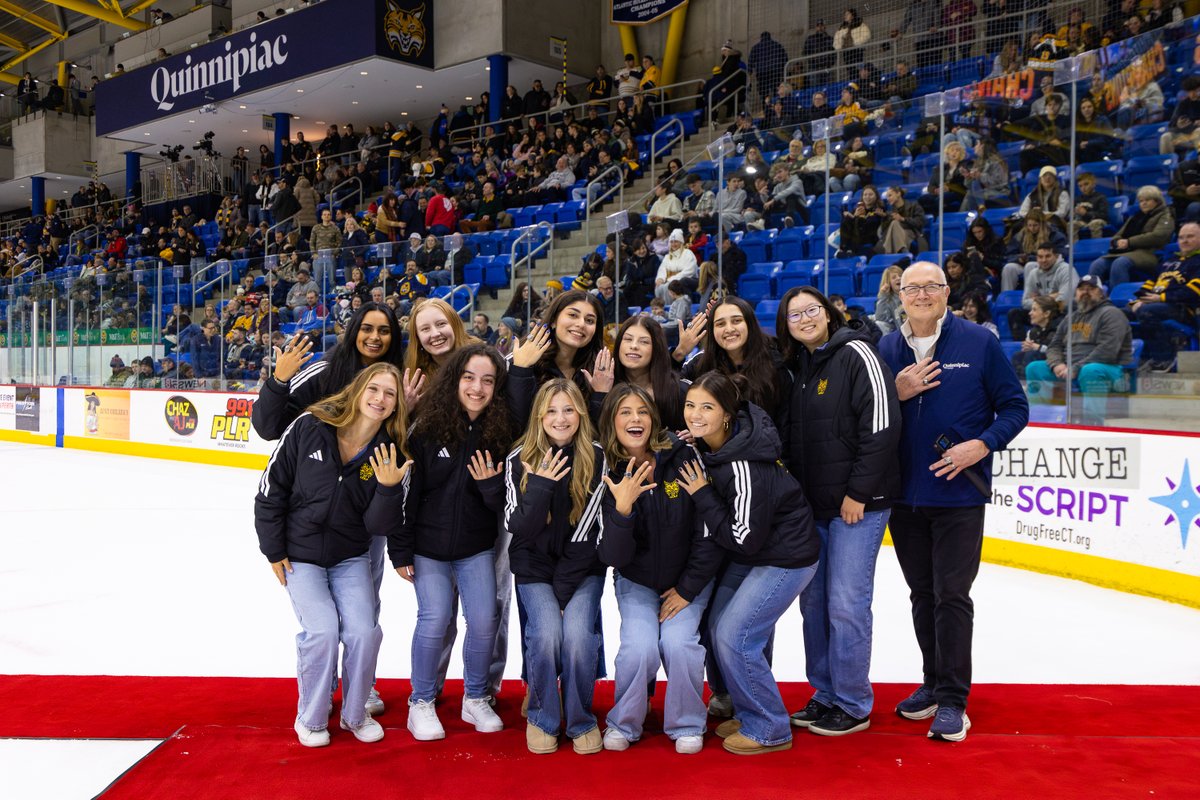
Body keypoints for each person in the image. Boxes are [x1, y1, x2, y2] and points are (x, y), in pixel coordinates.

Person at [878, 261, 1028, 742]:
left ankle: (953, 700)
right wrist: (895, 392)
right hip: (905, 497)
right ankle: (931, 682)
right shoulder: (886, 347)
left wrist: (982, 444)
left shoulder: (978, 342)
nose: (921, 294)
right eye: (912, 288)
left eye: (931, 286)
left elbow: (1015, 407)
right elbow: (870, 416)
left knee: (951, 596)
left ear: (946, 292)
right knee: (922, 595)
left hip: (960, 496)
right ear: (900, 295)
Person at [254, 363, 411, 747]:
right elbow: (270, 491)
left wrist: (389, 488)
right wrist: (273, 549)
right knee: (322, 630)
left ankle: (355, 714)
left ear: (395, 406)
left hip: (349, 557)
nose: (380, 399)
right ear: (358, 390)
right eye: (374, 389)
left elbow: (378, 525)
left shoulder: (389, 453)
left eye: (390, 394)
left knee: (363, 630)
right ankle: (311, 714)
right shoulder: (310, 426)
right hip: (300, 554)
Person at [775, 287, 900, 736]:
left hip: (856, 508)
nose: (805, 319)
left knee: (847, 603)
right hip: (813, 509)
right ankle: (825, 693)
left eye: (811, 310)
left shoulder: (858, 353)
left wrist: (859, 492)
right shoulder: (799, 369)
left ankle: (852, 702)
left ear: (829, 313)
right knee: (815, 604)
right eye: (794, 315)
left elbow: (882, 425)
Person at [674, 372, 819, 754]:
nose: (696, 414)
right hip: (755, 553)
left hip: (785, 557)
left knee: (735, 636)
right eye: (691, 405)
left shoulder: (744, 465)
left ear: (727, 414)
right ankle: (749, 708)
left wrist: (704, 494)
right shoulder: (717, 444)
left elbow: (744, 536)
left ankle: (769, 726)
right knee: (717, 625)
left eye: (707, 407)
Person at [389, 345, 512, 741]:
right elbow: (406, 492)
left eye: (488, 380)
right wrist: (401, 549)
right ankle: (420, 702)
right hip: (429, 549)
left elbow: (503, 502)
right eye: (469, 378)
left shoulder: (501, 432)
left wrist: (490, 487)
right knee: (435, 618)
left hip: (476, 548)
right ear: (455, 379)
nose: (478, 388)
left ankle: (475, 697)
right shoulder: (427, 428)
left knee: (484, 621)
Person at [596, 384, 722, 754]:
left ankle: (686, 722)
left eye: (642, 412)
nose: (635, 419)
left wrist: (687, 589)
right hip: (636, 581)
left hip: (687, 581)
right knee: (638, 647)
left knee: (680, 643)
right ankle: (625, 721)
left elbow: (707, 533)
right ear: (612, 421)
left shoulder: (683, 458)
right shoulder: (607, 469)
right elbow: (614, 557)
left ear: (653, 419)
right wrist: (622, 510)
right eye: (625, 413)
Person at [505, 379, 607, 755]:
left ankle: (581, 718)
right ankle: (543, 716)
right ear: (539, 416)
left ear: (580, 412)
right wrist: (543, 485)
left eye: (568, 409)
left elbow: (587, 535)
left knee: (579, 638)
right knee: (546, 634)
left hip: (583, 570)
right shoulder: (517, 459)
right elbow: (522, 530)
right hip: (533, 569)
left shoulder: (597, 457)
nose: (560, 418)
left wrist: (563, 593)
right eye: (551, 410)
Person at [1027, 275, 1134, 421]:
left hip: (1110, 369)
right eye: (1081, 289)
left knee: (1090, 370)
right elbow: (1054, 346)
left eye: (1091, 289)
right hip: (1071, 369)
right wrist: (1057, 364)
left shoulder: (1112, 314)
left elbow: (1107, 351)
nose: (1085, 292)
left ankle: (1092, 423)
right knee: (1034, 368)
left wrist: (1076, 368)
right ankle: (1040, 419)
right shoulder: (1071, 317)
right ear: (1076, 293)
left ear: (1101, 293)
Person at [1126, 220, 1200, 369]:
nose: (1184, 241)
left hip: (1183, 308)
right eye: (1181, 237)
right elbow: (1148, 284)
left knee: (1148, 312)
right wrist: (1137, 302)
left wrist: (1161, 298)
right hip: (1154, 303)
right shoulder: (1168, 261)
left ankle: (1164, 357)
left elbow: (1193, 293)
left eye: (1190, 236)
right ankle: (1132, 358)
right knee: (1120, 313)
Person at [612, 316, 689, 430]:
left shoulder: (679, 390)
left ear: (656, 348)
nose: (633, 346)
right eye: (628, 339)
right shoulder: (606, 387)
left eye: (644, 342)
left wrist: (695, 437)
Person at [1088, 186, 1175, 286]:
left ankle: (1117, 298)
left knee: (1120, 263)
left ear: (1157, 201)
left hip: (1149, 253)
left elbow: (1159, 236)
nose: (1144, 203)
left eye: (1147, 200)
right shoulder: (1135, 216)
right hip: (1127, 252)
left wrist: (1129, 242)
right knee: (1097, 265)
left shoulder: (1166, 215)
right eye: (1141, 201)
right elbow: (1118, 235)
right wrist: (1117, 242)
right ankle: (1093, 297)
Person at [1006, 243, 1078, 340]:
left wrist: (1038, 300)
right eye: (1040, 257)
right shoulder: (1033, 273)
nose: (1043, 260)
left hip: (1059, 312)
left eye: (1048, 256)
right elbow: (1025, 302)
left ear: (1056, 256)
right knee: (1014, 313)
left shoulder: (1067, 270)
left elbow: (1064, 301)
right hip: (1042, 311)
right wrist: (1051, 297)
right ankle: (1024, 344)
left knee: (1064, 311)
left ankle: (1047, 344)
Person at [1010, 296, 1062, 377]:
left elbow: (1058, 351)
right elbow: (1028, 349)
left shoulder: (1059, 329)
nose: (1030, 313)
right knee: (1017, 355)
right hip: (1037, 360)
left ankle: (1028, 384)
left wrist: (1038, 347)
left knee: (1032, 354)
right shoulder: (1032, 332)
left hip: (1055, 364)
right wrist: (1027, 347)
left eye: (1034, 310)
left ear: (1046, 313)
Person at [959, 139, 1010, 211]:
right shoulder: (978, 161)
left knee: (972, 190)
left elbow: (999, 183)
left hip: (999, 191)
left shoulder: (996, 161)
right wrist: (968, 176)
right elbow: (969, 186)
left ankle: (970, 215)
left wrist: (980, 176)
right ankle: (977, 211)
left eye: (977, 144)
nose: (974, 147)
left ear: (982, 146)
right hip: (981, 192)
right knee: (971, 190)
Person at [877, 186, 927, 255]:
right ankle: (904, 252)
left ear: (898, 194)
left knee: (895, 223)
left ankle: (888, 254)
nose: (888, 199)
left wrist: (902, 219)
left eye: (890, 195)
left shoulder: (914, 205)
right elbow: (883, 231)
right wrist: (884, 217)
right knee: (894, 224)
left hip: (911, 233)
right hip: (895, 236)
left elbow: (920, 222)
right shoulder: (890, 211)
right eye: (887, 197)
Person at [655, 229, 699, 301]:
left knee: (668, 286)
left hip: (687, 280)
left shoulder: (688, 253)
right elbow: (662, 269)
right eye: (671, 242)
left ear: (681, 242)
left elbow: (689, 271)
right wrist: (661, 278)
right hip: (670, 280)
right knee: (659, 287)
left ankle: (671, 307)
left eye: (676, 242)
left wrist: (671, 280)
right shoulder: (668, 256)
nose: (673, 244)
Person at [874, 265, 906, 335]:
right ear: (888, 283)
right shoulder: (887, 300)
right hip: (898, 333)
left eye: (900, 275)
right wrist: (883, 296)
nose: (898, 278)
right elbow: (880, 319)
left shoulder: (911, 293)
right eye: (894, 277)